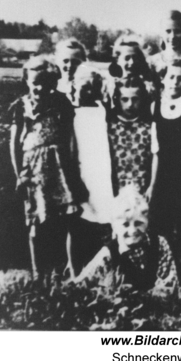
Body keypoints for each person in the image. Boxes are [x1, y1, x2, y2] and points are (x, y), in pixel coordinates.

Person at [9, 55, 82, 280]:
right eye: (34, 83)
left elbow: (70, 137)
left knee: (68, 218)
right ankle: (38, 274)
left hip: (59, 166)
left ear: (53, 83)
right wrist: (19, 175)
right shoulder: (20, 106)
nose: (39, 88)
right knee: (35, 220)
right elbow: (14, 144)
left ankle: (73, 270)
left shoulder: (61, 103)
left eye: (45, 83)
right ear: (27, 82)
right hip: (33, 170)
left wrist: (72, 169)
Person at [149, 59, 181, 281]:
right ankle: (162, 273)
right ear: (163, 79)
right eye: (171, 77)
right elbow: (155, 148)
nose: (175, 82)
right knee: (160, 225)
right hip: (162, 173)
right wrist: (152, 183)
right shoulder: (154, 105)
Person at [74, 185, 178, 291]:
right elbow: (81, 284)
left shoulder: (159, 244)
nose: (132, 231)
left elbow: (170, 284)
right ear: (114, 226)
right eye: (125, 225)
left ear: (147, 222)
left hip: (156, 304)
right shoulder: (109, 253)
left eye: (138, 223)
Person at [68, 64, 115, 277]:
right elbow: (70, 152)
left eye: (92, 87)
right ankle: (75, 273)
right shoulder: (71, 113)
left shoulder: (102, 110)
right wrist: (75, 183)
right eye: (83, 86)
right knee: (78, 226)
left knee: (103, 224)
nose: (87, 91)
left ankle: (99, 272)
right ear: (73, 86)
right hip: (83, 175)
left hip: (102, 176)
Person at [107, 75, 153, 197]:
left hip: (143, 193)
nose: (130, 104)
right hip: (115, 193)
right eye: (125, 99)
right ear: (117, 100)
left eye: (135, 99)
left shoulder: (149, 127)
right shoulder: (109, 127)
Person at [54, 38, 87, 105]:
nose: (69, 65)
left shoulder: (87, 89)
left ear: (84, 63)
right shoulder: (52, 87)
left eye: (75, 62)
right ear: (57, 61)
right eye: (65, 61)